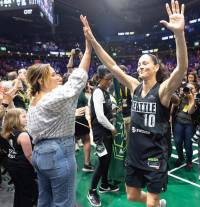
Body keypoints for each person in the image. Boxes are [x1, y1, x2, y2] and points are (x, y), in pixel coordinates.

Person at [80, 0, 188, 206]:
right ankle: (159, 203)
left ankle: (156, 203)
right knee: (132, 196)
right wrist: (93, 40)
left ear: (156, 67)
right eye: (138, 64)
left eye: (145, 63)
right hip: (134, 153)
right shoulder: (135, 86)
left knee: (150, 203)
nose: (140, 66)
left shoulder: (163, 90)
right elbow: (111, 65)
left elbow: (181, 68)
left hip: (155, 155)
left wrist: (179, 34)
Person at [26, 28, 92, 207]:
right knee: (64, 203)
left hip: (40, 154)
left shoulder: (34, 100)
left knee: (45, 199)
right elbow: (78, 78)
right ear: (41, 81)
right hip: (58, 152)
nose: (58, 77)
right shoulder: (51, 98)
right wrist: (88, 50)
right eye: (53, 74)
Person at [87, 66, 119, 206]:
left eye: (111, 79)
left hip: (106, 132)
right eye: (107, 79)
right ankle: (92, 191)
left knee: (107, 159)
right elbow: (100, 116)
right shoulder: (98, 92)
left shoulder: (105, 92)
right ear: (100, 78)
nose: (110, 82)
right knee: (102, 161)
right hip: (101, 134)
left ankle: (104, 185)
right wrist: (112, 128)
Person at [1, 108, 37, 207]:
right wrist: (37, 168)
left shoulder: (7, 132)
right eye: (24, 116)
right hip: (23, 167)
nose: (27, 118)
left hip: (12, 165)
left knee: (19, 191)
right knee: (28, 194)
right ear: (15, 119)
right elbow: (29, 155)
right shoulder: (23, 135)